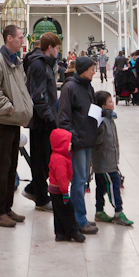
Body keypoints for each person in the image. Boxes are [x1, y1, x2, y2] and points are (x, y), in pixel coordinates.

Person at [0, 24, 34, 228]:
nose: (23, 41)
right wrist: (10, 108)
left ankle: (6, 208)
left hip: (14, 121)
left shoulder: (16, 61)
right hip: (4, 120)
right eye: (20, 37)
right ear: (9, 39)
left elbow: (21, 87)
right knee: (2, 167)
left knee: (11, 166)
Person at [56, 52, 99, 234]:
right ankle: (78, 219)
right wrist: (73, 138)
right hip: (78, 140)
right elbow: (64, 118)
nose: (94, 73)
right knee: (79, 180)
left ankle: (80, 215)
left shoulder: (88, 87)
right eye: (91, 69)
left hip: (88, 138)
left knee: (84, 180)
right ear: (82, 70)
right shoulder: (70, 88)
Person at [23, 32, 61, 210]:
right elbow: (38, 95)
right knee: (41, 158)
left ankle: (35, 189)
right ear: (50, 48)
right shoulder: (39, 64)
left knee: (44, 157)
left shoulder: (44, 63)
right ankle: (40, 197)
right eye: (57, 47)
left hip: (44, 117)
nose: (58, 51)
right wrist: (50, 117)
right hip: (41, 120)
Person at [91, 91, 131, 226]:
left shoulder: (109, 118)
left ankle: (99, 211)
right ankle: (118, 212)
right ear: (103, 106)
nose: (112, 103)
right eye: (110, 101)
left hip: (109, 160)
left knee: (101, 186)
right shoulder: (101, 121)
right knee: (114, 184)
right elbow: (97, 141)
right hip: (104, 161)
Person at [48, 128, 82, 242]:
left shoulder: (60, 156)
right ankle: (73, 232)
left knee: (58, 212)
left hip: (55, 190)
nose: (71, 144)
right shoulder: (60, 160)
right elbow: (61, 178)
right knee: (67, 211)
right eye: (68, 142)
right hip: (60, 191)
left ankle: (60, 233)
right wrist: (65, 193)